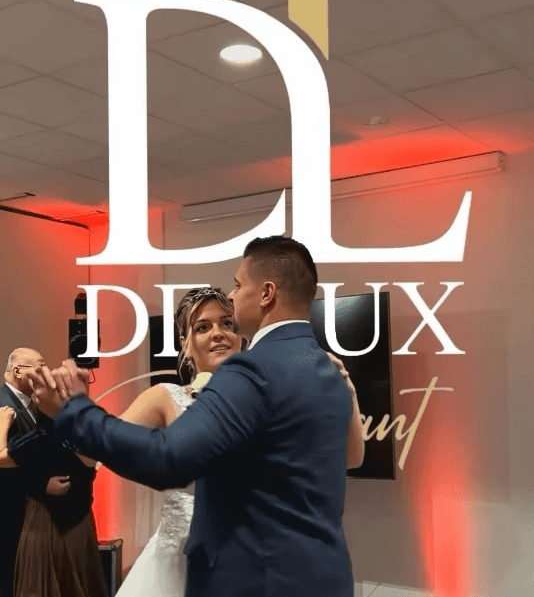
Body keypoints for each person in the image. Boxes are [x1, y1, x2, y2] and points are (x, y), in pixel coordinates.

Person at [29, 235, 364, 597]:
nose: (233, 296)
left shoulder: (252, 371)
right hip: (324, 577)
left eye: (238, 286)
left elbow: (167, 458)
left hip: (257, 580)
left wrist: (74, 410)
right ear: (186, 342)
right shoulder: (326, 369)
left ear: (267, 293)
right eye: (202, 327)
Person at [113, 287, 363, 597]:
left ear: (240, 334)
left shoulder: (273, 395)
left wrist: (347, 392)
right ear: (185, 342)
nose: (218, 333)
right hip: (180, 566)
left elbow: (350, 458)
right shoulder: (164, 398)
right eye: (202, 327)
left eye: (227, 323)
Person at [0, 397, 108, 597]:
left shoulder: (39, 440)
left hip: (43, 527)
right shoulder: (90, 436)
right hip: (81, 526)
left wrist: (2, 425)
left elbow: (1, 458)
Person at [0, 348, 76, 597]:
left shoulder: (37, 407)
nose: (46, 372)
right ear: (17, 371)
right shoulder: (2, 406)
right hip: (9, 516)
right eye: (40, 366)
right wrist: (41, 485)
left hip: (37, 520)